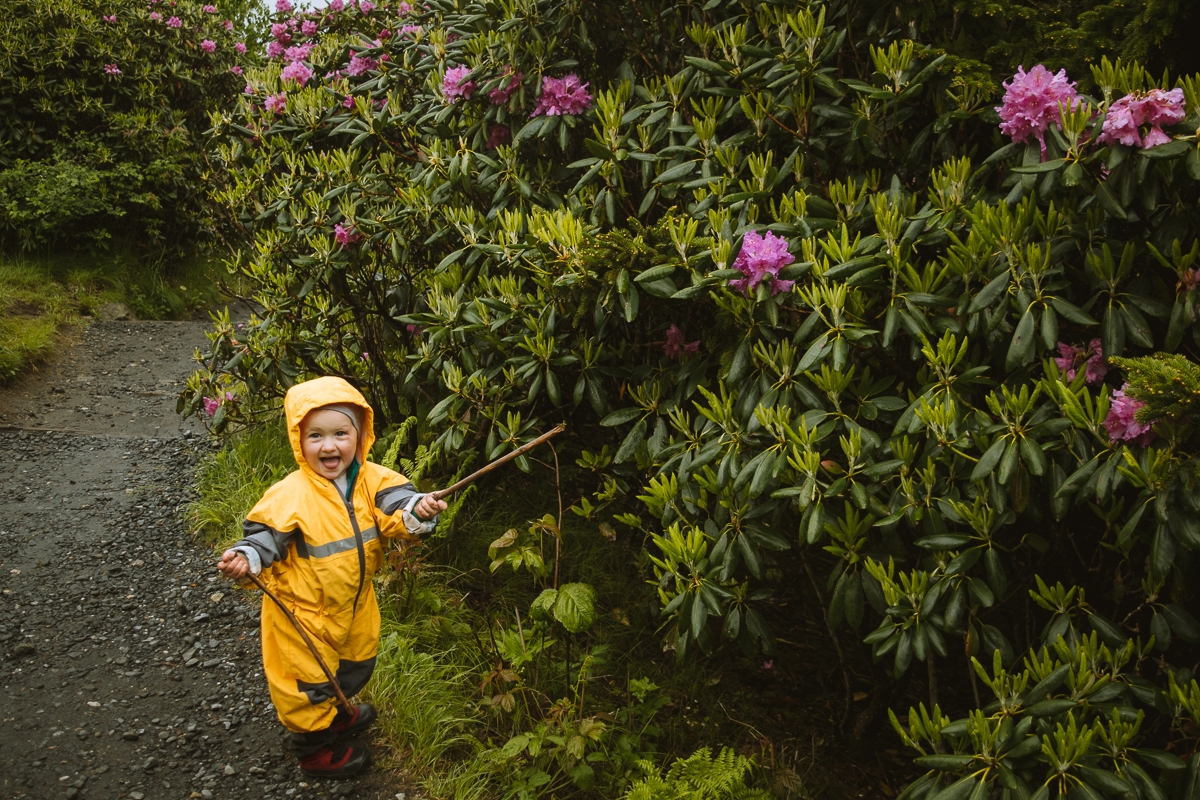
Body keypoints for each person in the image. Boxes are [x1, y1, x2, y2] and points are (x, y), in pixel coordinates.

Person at [216, 376, 447, 778]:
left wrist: (418, 510)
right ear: (298, 440)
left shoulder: (374, 479)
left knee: (354, 664)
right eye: (315, 436)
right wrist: (244, 557)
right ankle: (313, 751)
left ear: (360, 435)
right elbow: (264, 539)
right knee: (305, 684)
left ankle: (336, 710)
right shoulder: (290, 495)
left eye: (341, 433)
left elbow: (398, 505)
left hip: (354, 602)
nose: (329, 446)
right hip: (303, 612)